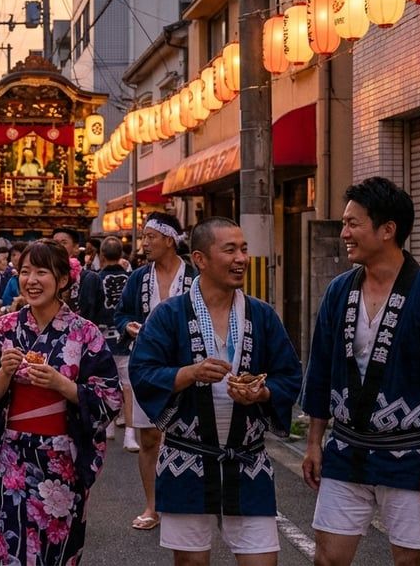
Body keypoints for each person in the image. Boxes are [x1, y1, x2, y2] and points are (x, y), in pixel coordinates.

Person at [301, 177, 420, 566]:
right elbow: (320, 368)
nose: (344, 233)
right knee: (327, 557)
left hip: (410, 454)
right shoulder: (339, 291)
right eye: (344, 223)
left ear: (388, 230)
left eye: (353, 223)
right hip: (346, 449)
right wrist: (314, 442)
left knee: (411, 561)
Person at [130, 218, 302, 565]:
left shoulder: (262, 315)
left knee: (262, 560)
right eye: (230, 250)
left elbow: (289, 373)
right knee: (192, 562)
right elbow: (142, 371)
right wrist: (188, 373)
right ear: (200, 259)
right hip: (186, 459)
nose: (241, 258)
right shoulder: (169, 315)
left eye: (244, 249)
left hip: (248, 460)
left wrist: (262, 392)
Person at [0, 240, 122, 564]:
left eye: (42, 272)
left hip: (62, 456)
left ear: (63, 279)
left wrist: (62, 384)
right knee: (11, 548)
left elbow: (110, 396)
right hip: (12, 456)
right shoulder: (4, 328)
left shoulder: (85, 333)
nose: (31, 280)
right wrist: (3, 376)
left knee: (57, 550)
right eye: (25, 272)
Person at [115, 212, 197, 532]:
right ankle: (152, 506)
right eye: (143, 236)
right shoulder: (138, 278)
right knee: (149, 437)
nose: (144, 243)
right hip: (146, 364)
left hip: (188, 366)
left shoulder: (194, 276)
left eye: (150, 236)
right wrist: (128, 326)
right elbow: (122, 314)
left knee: (188, 433)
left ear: (169, 239)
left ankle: (187, 501)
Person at [98, 237, 137, 451]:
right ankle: (130, 433)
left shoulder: (95, 279)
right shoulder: (131, 279)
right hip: (126, 336)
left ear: (102, 256)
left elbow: (90, 308)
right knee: (128, 387)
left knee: (106, 383)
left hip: (103, 337)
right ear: (122, 256)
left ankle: (109, 425)